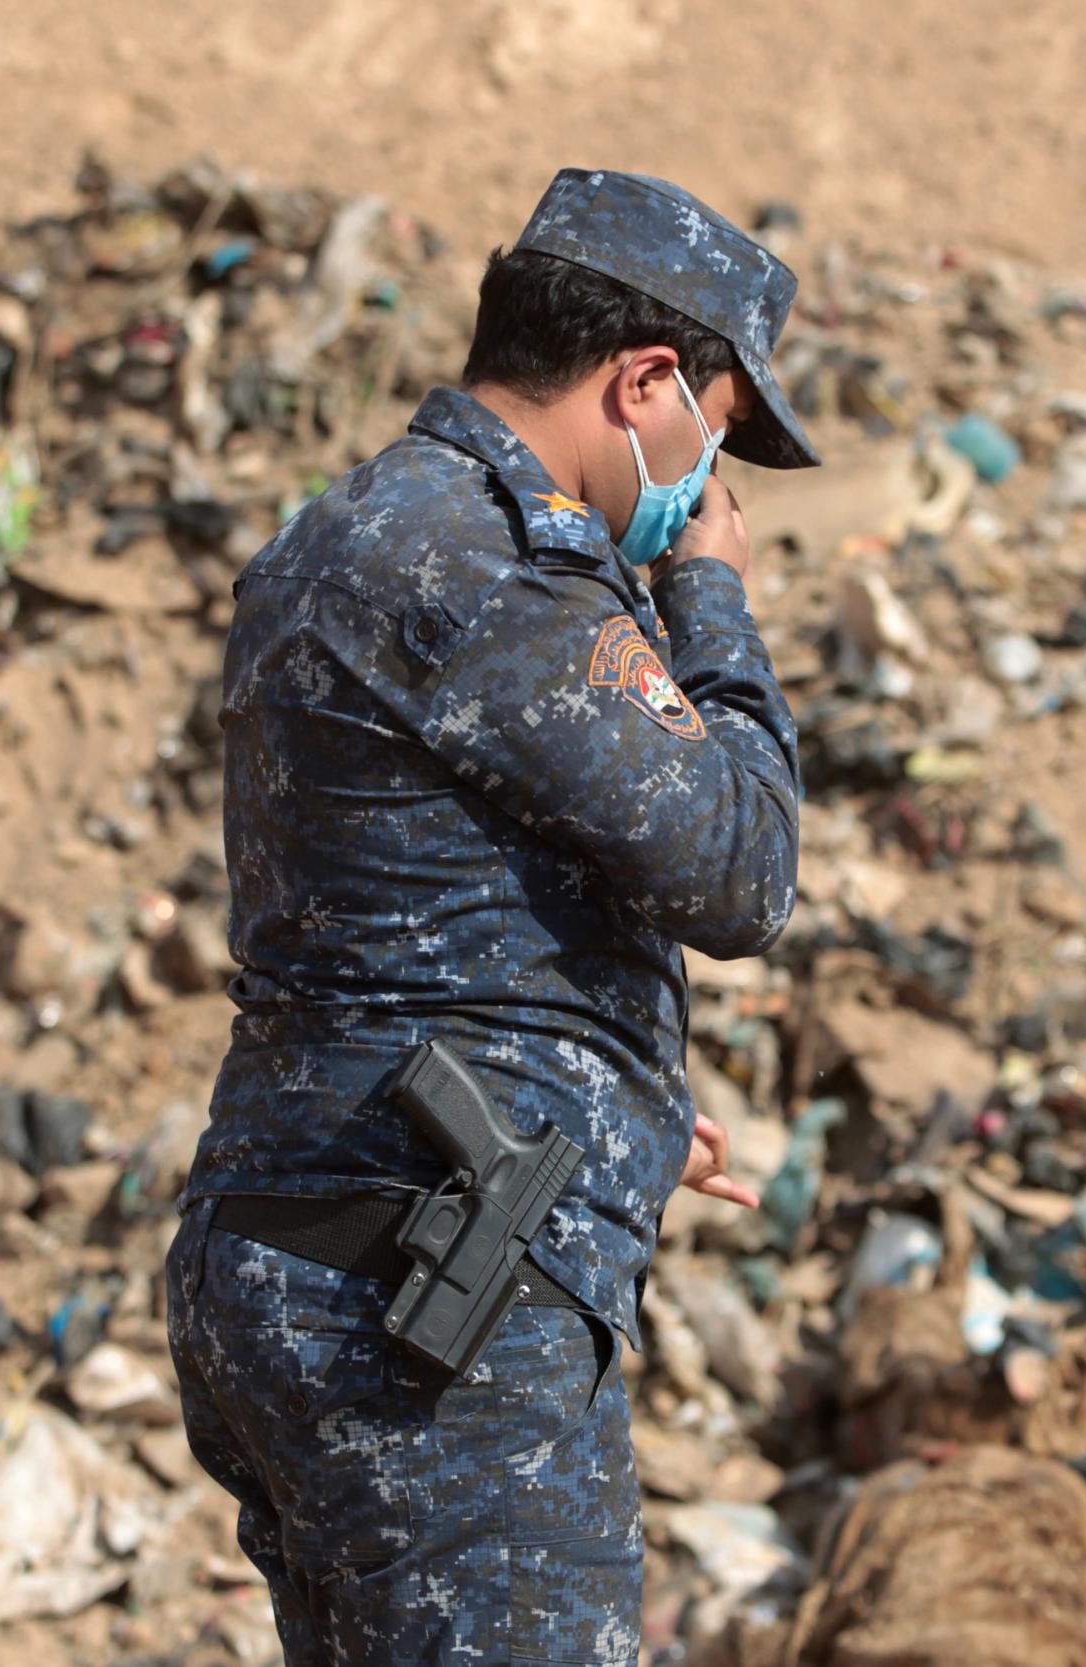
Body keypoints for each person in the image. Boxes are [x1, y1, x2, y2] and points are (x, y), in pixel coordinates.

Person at [165, 167, 819, 1666]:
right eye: (714, 438)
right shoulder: (501, 565)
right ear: (644, 380)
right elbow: (740, 871)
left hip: (310, 1238)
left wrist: (621, 1101)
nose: (710, 485)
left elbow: (403, 914)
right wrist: (708, 591)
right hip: (434, 1292)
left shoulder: (347, 536)